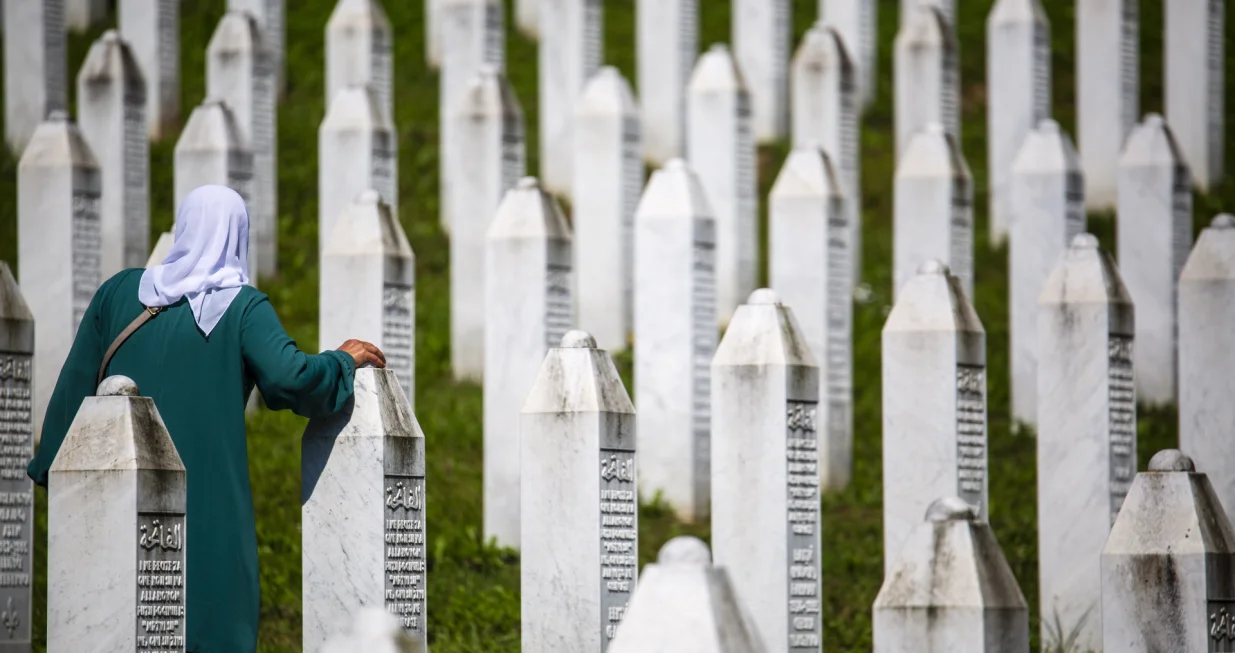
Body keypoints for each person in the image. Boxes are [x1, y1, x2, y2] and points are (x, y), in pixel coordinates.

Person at [28, 185, 386, 653]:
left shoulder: (118, 293)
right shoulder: (243, 308)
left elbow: (75, 382)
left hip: (110, 485)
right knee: (208, 617)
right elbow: (290, 378)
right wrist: (340, 360)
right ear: (239, 236)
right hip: (206, 499)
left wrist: (54, 473)